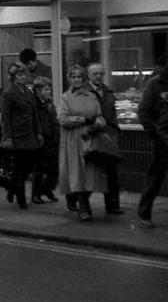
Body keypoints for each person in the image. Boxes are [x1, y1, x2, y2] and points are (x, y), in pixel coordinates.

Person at [58, 65, 108, 222]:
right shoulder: (66, 97)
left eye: (79, 76)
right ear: (69, 79)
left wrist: (97, 125)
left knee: (91, 174)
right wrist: (84, 120)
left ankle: (83, 201)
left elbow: (100, 116)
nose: (76, 79)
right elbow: (63, 119)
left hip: (91, 138)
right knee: (77, 173)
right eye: (73, 77)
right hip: (73, 139)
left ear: (83, 79)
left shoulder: (91, 97)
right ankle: (83, 207)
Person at [0, 62, 44, 209]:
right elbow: (6, 117)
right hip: (17, 134)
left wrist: (38, 132)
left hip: (30, 134)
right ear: (13, 77)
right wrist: (8, 137)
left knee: (29, 165)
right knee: (19, 168)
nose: (23, 77)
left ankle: (12, 187)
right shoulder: (8, 94)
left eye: (24, 74)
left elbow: (34, 114)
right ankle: (21, 199)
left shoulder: (29, 92)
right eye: (19, 75)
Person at [87, 62, 124, 214]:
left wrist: (114, 129)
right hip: (92, 135)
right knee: (90, 172)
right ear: (89, 76)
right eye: (95, 74)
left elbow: (113, 113)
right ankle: (78, 200)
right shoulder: (85, 92)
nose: (98, 76)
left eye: (101, 73)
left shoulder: (108, 91)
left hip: (109, 135)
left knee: (112, 171)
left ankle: (112, 205)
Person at [136, 55, 168, 228]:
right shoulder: (155, 84)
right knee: (155, 179)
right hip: (163, 142)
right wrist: (156, 134)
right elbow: (143, 112)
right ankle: (144, 213)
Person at [31, 76, 60, 203]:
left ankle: (47, 188)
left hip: (52, 138)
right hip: (41, 138)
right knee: (39, 168)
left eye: (50, 89)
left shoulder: (50, 103)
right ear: (38, 91)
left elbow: (54, 121)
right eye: (46, 89)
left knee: (54, 168)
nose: (49, 92)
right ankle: (36, 193)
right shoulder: (34, 105)